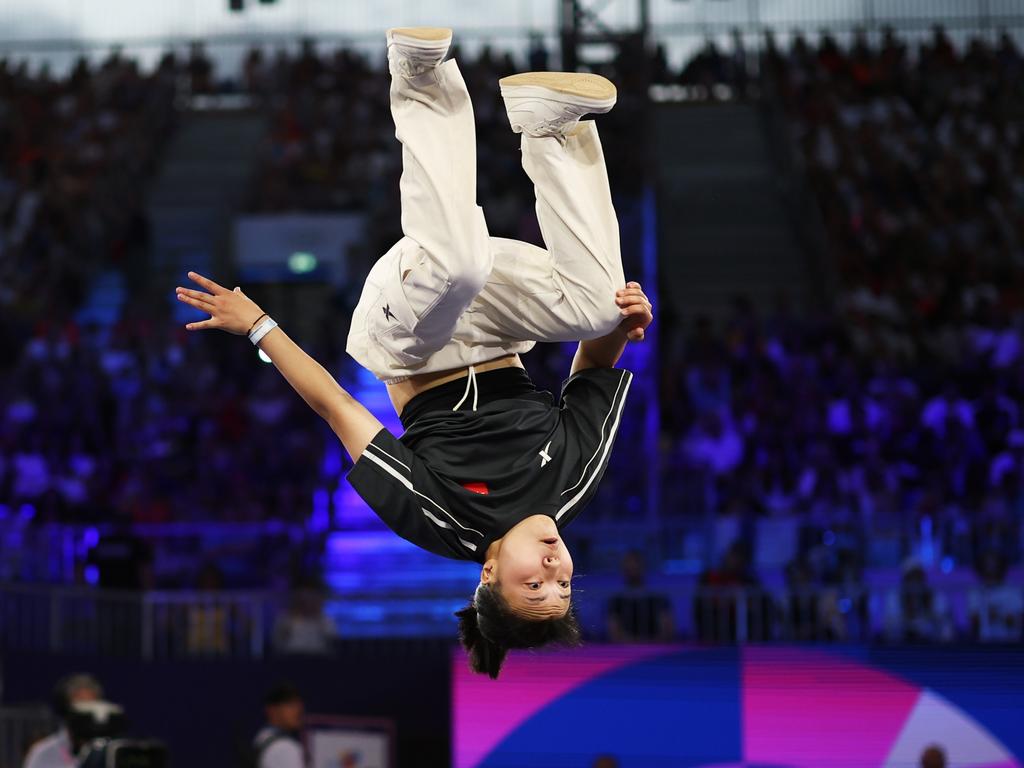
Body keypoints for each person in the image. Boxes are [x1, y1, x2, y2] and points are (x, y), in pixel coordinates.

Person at [175, 26, 653, 679]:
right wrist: (622, 325)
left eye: (531, 587)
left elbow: (340, 408)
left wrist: (258, 324)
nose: (552, 572)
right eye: (563, 587)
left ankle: (421, 79)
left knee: (457, 264)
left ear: (489, 573)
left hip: (406, 336)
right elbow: (594, 363)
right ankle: (550, 128)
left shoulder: (442, 521)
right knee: (600, 302)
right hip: (498, 325)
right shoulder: (575, 481)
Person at [23, 674, 103, 768]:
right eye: (79, 708)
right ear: (64, 711)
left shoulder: (110, 753)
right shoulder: (42, 753)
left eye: (91, 708)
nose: (84, 716)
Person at [606, 550, 674, 642]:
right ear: (623, 570)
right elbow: (614, 634)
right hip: (625, 651)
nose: (633, 570)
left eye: (636, 567)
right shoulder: (616, 601)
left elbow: (667, 632)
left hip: (655, 649)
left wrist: (649, 643)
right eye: (629, 568)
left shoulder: (658, 600)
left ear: (643, 568)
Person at [252, 682, 305, 768]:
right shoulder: (285, 747)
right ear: (272, 710)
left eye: (298, 704)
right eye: (290, 704)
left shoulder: (261, 737)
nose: (298, 710)